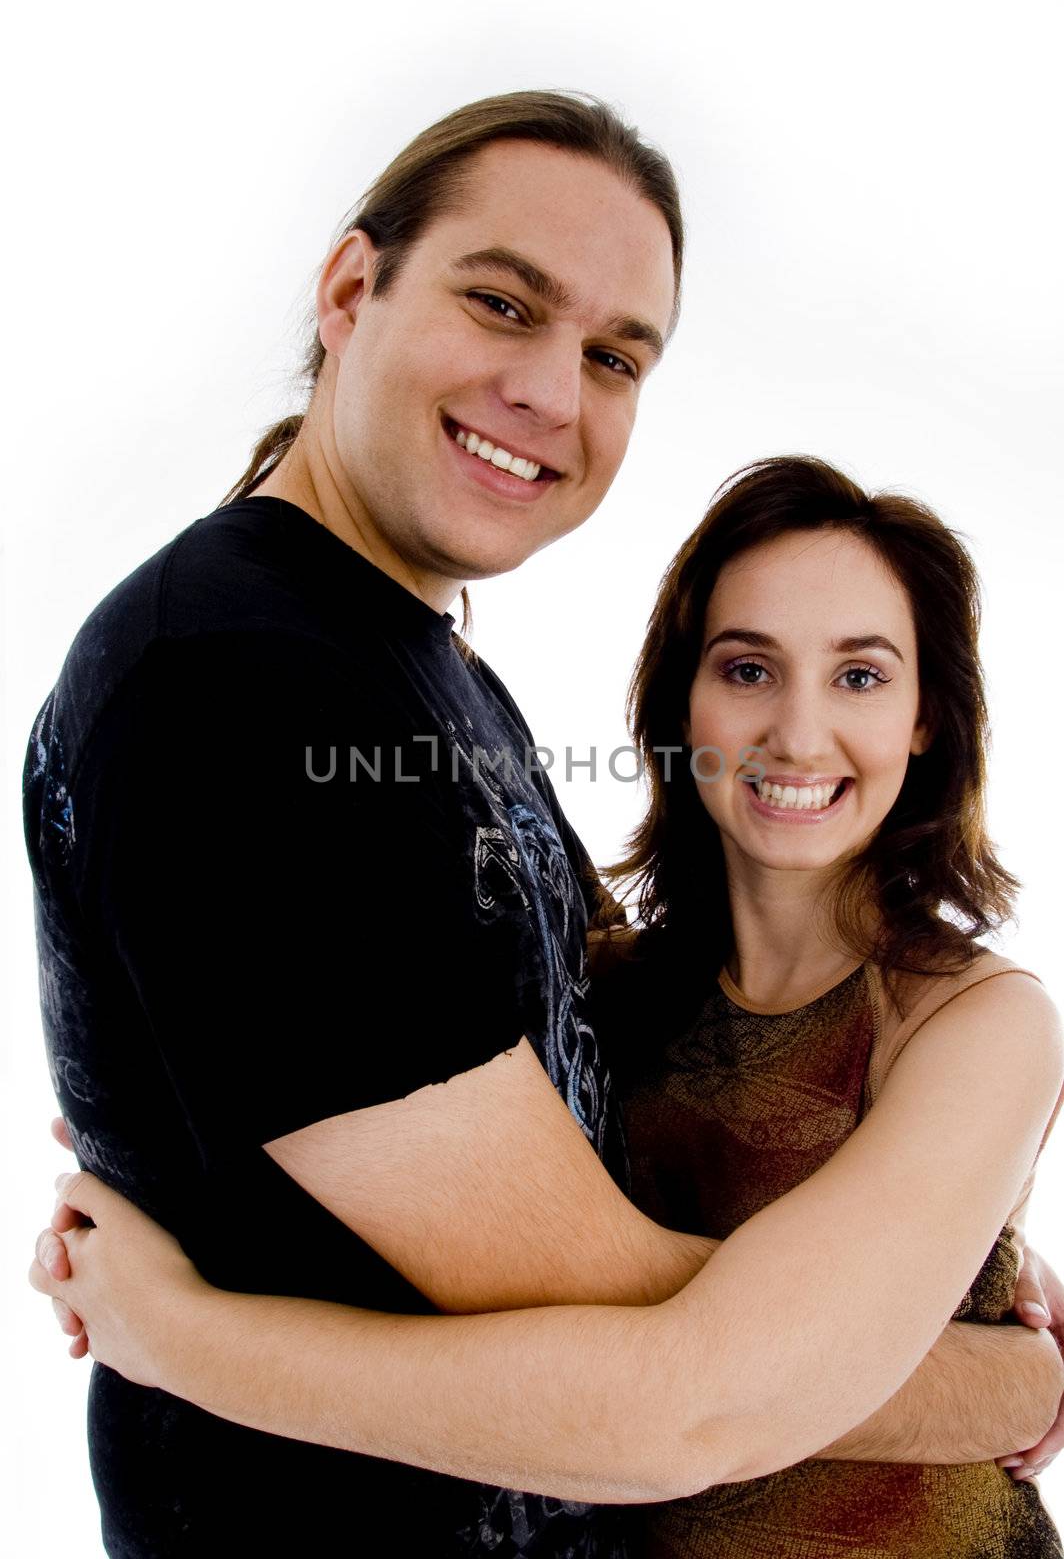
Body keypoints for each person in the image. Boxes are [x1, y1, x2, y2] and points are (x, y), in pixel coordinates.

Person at [21, 85, 1063, 1555]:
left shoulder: (428, 673)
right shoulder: (248, 679)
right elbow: (691, 1378)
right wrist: (999, 1375)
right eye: (503, 305)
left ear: (933, 717)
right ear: (349, 287)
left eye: (615, 354)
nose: (553, 398)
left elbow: (594, 1022)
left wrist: (947, 1249)